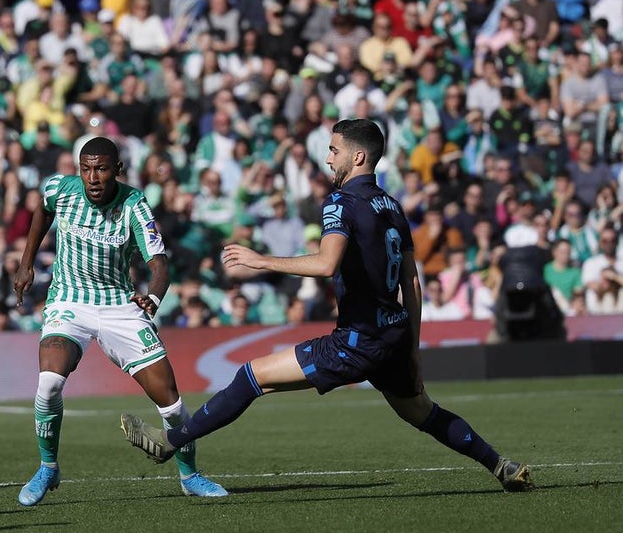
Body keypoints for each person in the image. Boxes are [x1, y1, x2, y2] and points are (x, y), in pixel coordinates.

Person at [120, 119, 534, 493]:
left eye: (334, 149)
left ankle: (169, 443)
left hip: (357, 340)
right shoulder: (392, 207)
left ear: (358, 156)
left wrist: (261, 260)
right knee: (423, 412)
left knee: (251, 376)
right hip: (392, 333)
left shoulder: (341, 202)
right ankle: (500, 465)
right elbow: (411, 281)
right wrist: (411, 346)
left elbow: (326, 263)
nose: (327, 156)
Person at [12, 135, 227, 506]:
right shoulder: (59, 189)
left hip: (118, 305)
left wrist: (154, 297)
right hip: (69, 301)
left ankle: (190, 475)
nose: (92, 178)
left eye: (101, 169)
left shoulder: (134, 204)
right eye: (86, 169)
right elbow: (43, 211)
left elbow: (159, 264)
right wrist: (26, 261)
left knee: (171, 403)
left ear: (118, 170)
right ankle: (48, 467)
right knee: (48, 383)